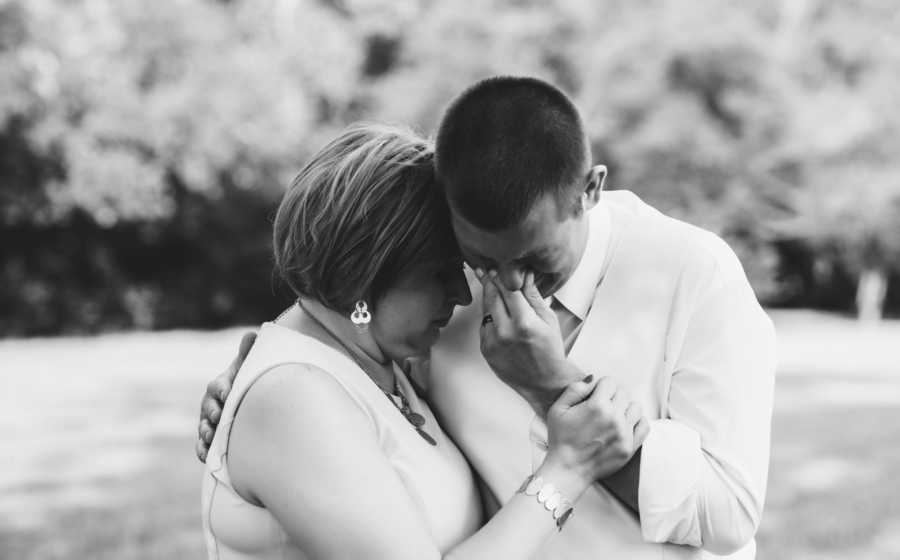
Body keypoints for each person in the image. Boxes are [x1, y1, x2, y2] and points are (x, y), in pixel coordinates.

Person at [199, 77, 777, 559]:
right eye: (475, 263)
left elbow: (728, 514)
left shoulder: (692, 274)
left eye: (533, 258)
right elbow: (338, 325)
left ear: (590, 191)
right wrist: (260, 389)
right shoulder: (434, 302)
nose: (502, 284)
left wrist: (552, 389)